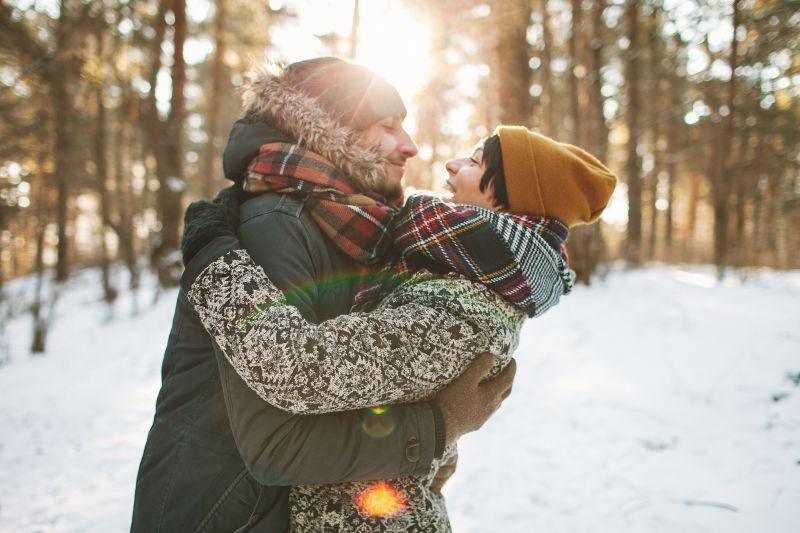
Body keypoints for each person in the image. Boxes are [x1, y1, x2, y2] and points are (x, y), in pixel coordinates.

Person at [131, 58, 513, 532]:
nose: (410, 146)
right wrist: (436, 427)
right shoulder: (275, 223)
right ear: (332, 132)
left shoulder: (356, 225)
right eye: (387, 126)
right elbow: (278, 445)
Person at [180, 124, 617, 530]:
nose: (452, 164)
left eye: (475, 162)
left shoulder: (459, 311)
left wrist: (211, 254)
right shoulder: (464, 280)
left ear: (508, 199)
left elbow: (300, 369)